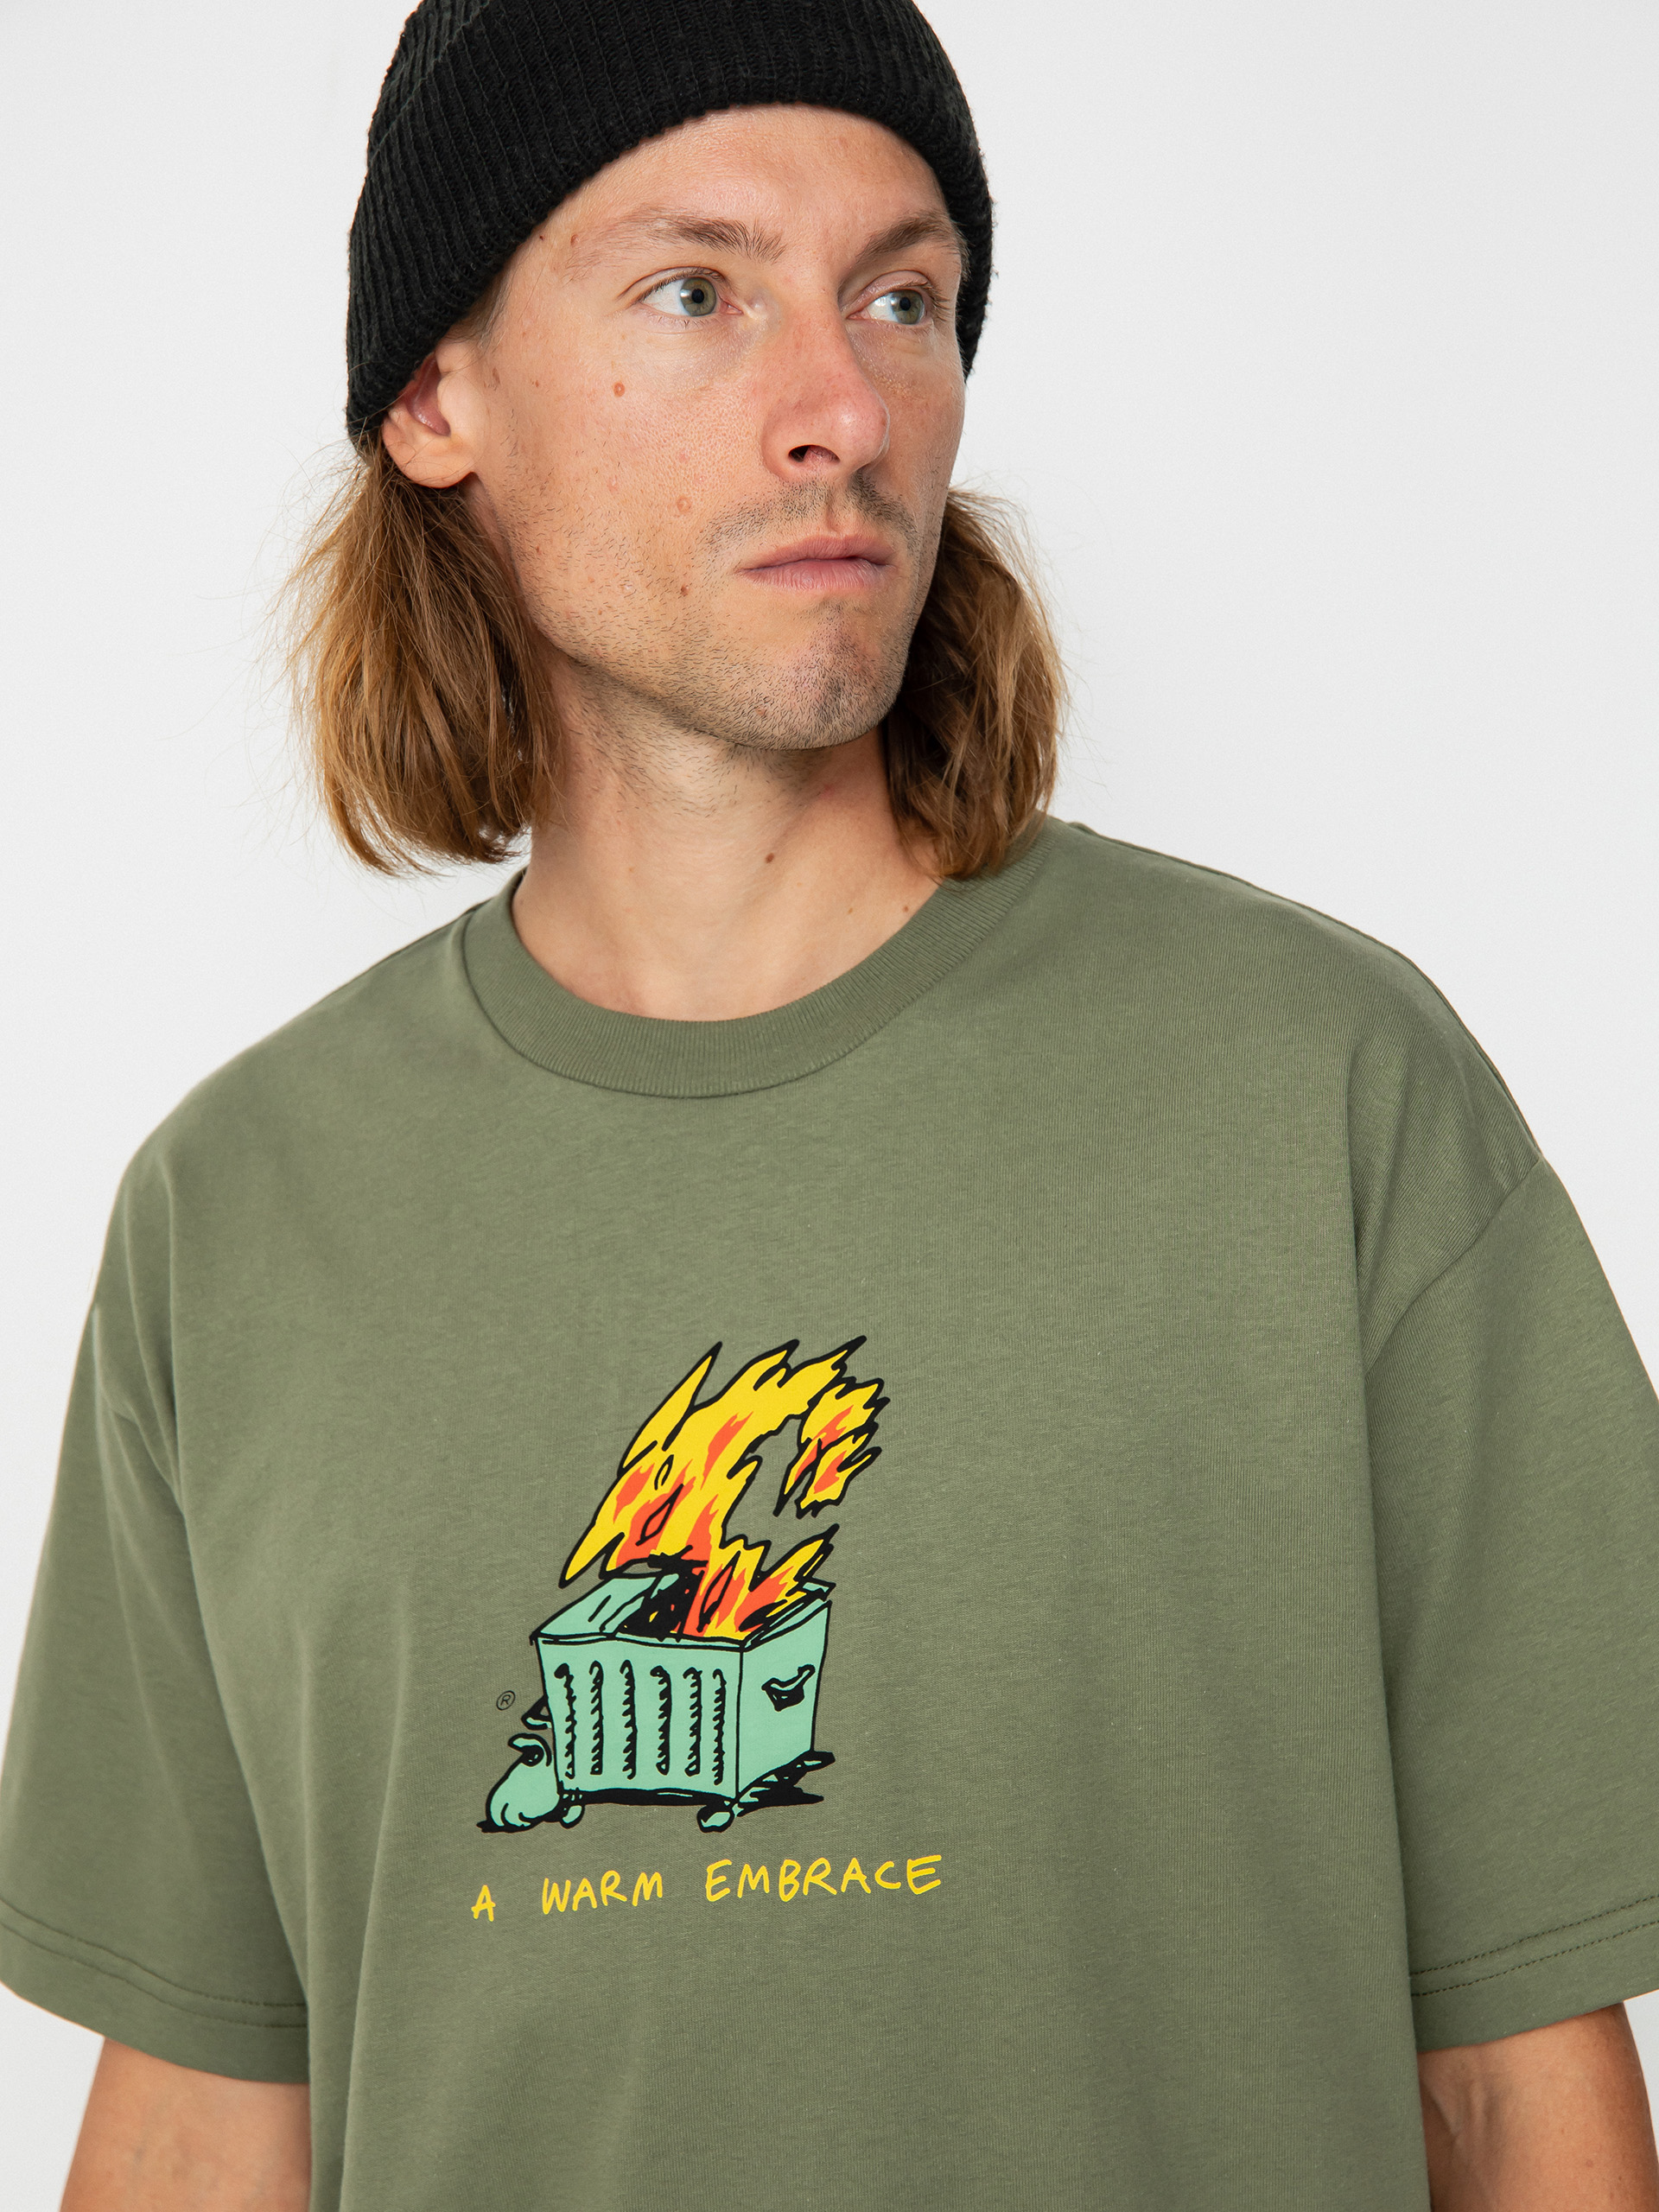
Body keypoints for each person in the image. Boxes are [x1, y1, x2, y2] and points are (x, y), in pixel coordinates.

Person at [3, 1, 1657, 2205]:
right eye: (698, 292)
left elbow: (1521, 2093)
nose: (846, 410)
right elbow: (206, 2128)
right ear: (434, 398)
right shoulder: (236, 1218)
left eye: (902, 298)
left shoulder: (1327, 1098)